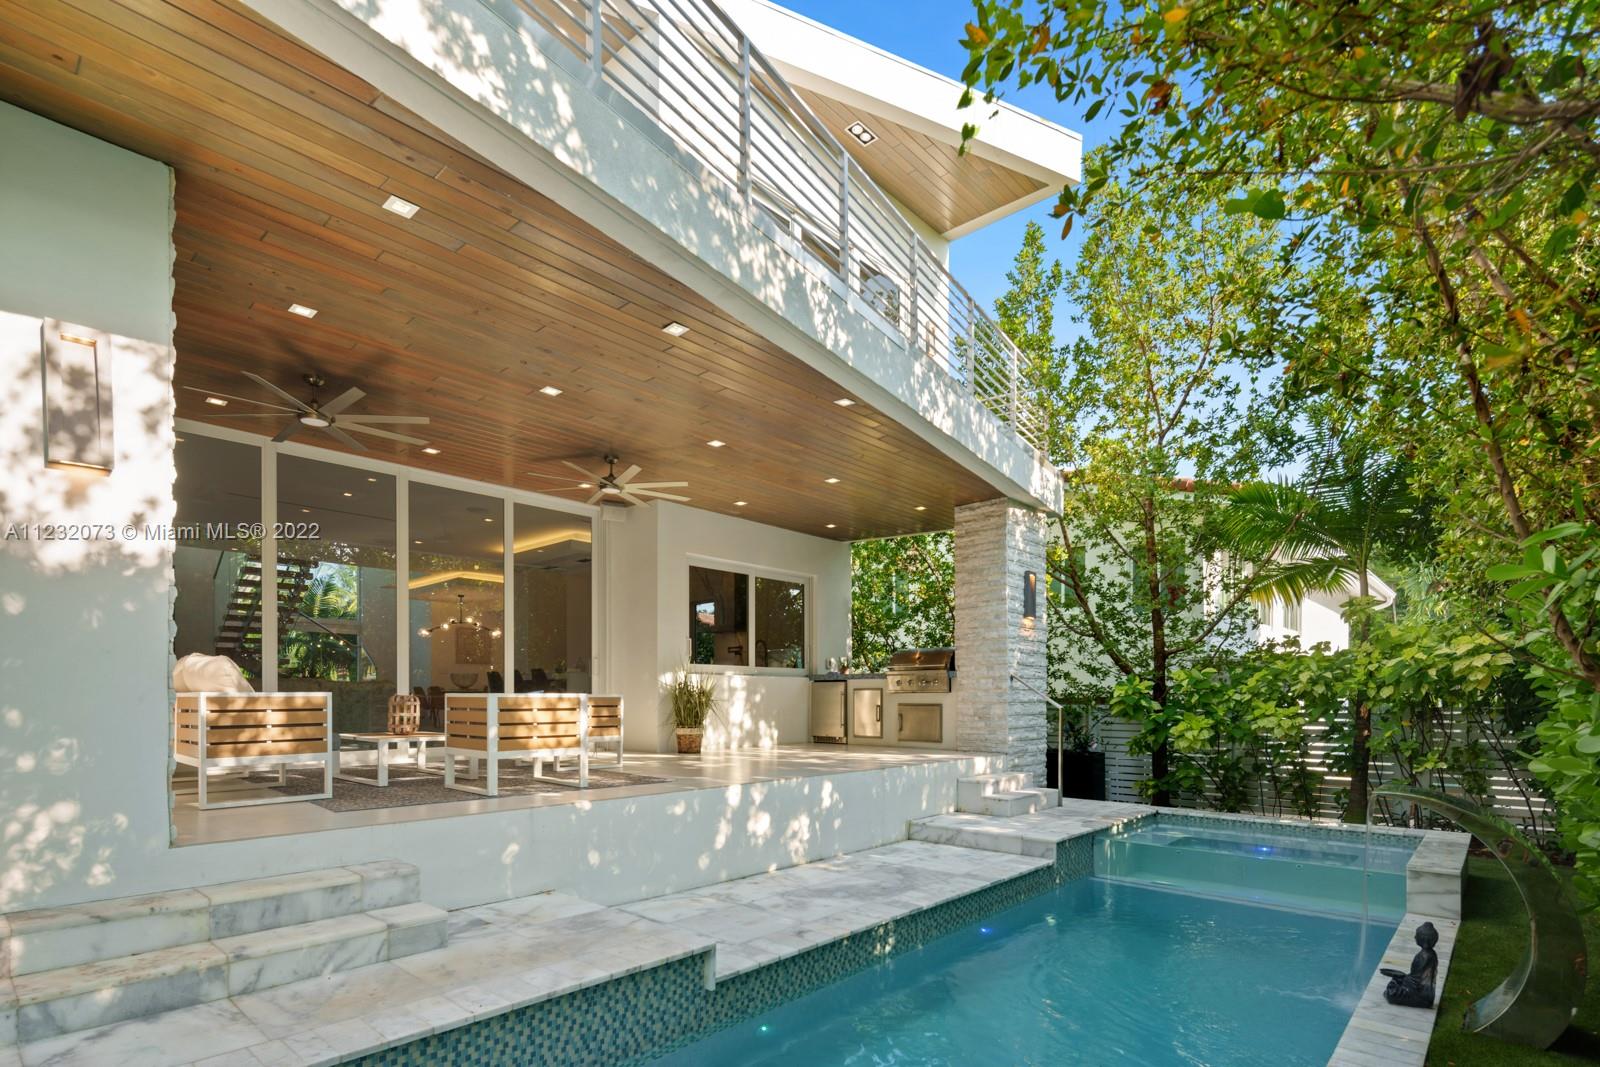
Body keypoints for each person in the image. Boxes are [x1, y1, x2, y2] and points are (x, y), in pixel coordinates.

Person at [1381, 922, 1439, 1008]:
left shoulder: (1425, 957)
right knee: (1397, 979)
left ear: (1423, 939)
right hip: (1419, 989)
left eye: (1417, 936)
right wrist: (1402, 976)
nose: (1415, 937)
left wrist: (1404, 978)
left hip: (1420, 995)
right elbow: (1417, 976)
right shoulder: (1428, 954)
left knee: (1391, 993)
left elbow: (1417, 983)